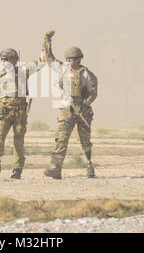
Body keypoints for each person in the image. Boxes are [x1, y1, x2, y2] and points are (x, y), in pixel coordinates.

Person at [0, 34, 52, 179]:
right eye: (2, 59)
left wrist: (46, 43)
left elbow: (41, 61)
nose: (4, 62)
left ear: (14, 60)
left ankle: (17, 170)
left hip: (19, 114)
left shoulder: (23, 71)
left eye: (6, 59)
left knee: (18, 143)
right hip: (3, 113)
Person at [40, 31, 98, 179]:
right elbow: (49, 58)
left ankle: (89, 164)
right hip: (66, 110)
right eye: (67, 59)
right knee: (61, 138)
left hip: (82, 111)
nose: (69, 62)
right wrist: (47, 40)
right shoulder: (62, 69)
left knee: (85, 141)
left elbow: (93, 93)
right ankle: (56, 169)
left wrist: (85, 103)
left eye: (72, 59)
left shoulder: (87, 74)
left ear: (78, 59)